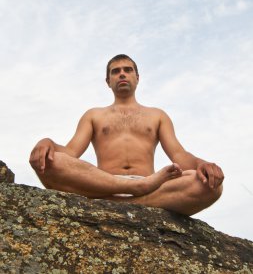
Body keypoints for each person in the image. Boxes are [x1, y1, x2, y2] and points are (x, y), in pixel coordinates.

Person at [29, 54, 224, 216]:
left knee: (211, 185)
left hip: (152, 187)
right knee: (47, 163)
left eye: (128, 70)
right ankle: (132, 191)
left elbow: (179, 155)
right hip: (103, 185)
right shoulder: (94, 115)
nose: (122, 74)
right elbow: (70, 153)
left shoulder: (157, 115)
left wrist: (202, 165)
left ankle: (127, 200)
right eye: (116, 71)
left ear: (137, 78)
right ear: (108, 81)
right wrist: (48, 144)